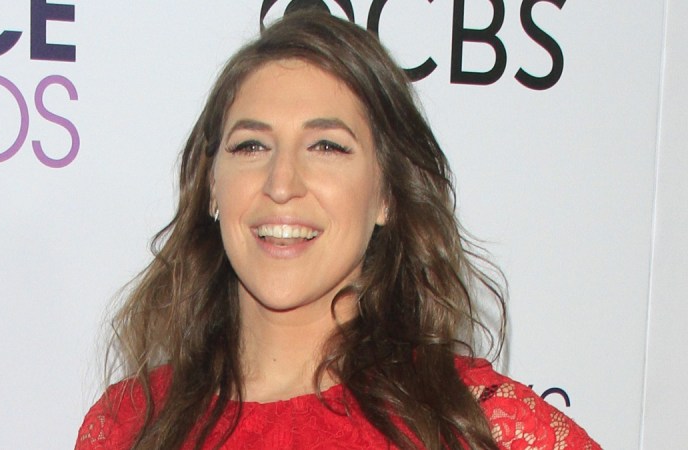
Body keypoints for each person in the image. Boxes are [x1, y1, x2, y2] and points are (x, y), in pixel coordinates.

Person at [75, 11, 599, 450]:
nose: (281, 183)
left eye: (327, 147)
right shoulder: (128, 426)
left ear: (387, 195)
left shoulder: (475, 424)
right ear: (212, 186)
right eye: (251, 146)